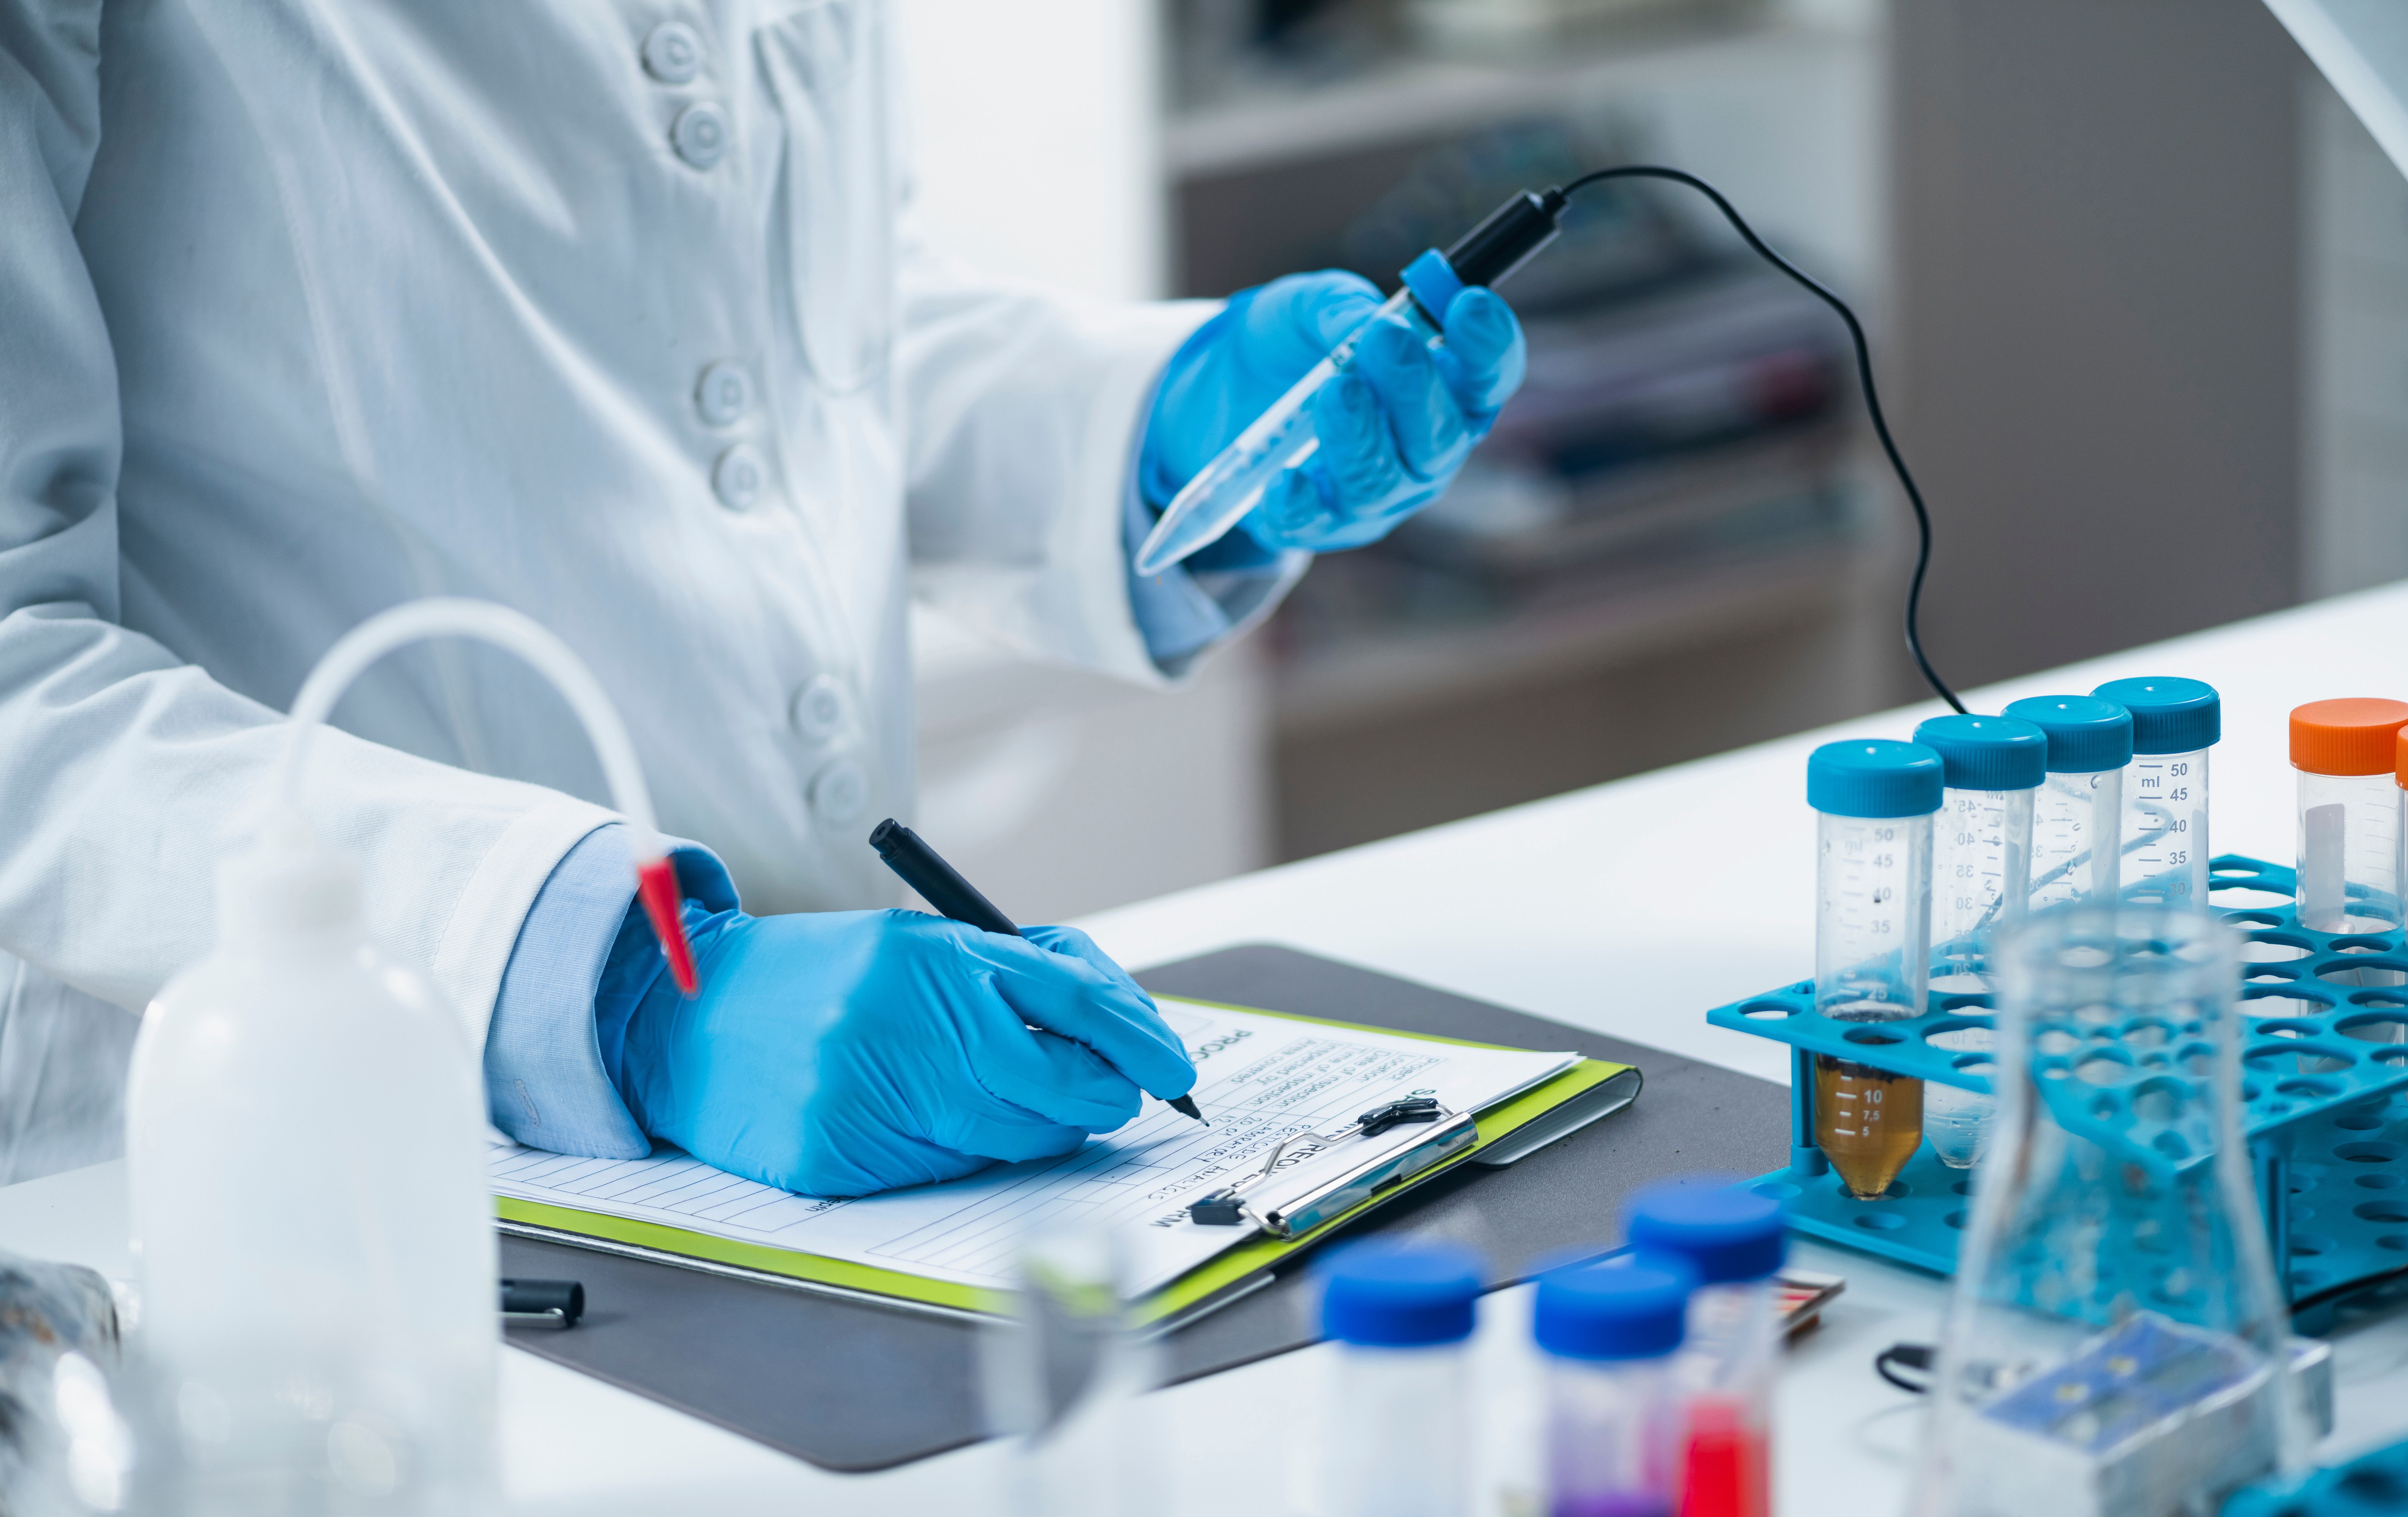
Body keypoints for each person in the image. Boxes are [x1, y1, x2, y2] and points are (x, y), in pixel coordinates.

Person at [0, 2, 1525, 1196]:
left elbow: (770, 331)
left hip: (834, 1168)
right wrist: (620, 988)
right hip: (259, 1174)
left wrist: (1151, 426)